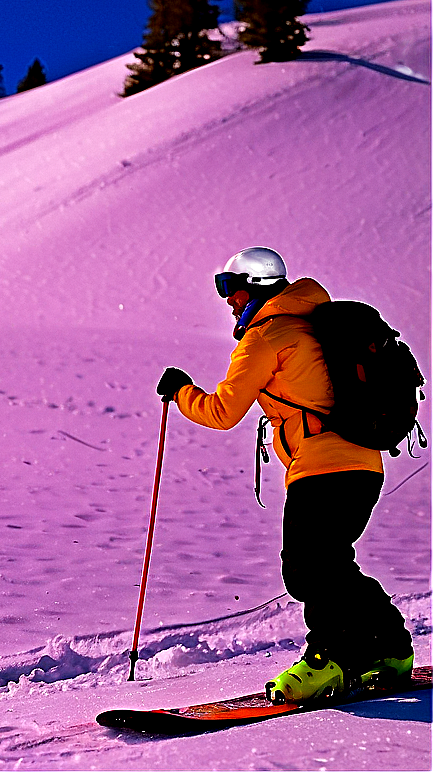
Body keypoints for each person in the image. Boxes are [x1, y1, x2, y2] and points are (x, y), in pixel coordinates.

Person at [156, 246, 413, 703]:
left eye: (231, 289)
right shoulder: (315, 324)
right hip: (363, 465)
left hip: (322, 468)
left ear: (254, 289)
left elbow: (221, 411)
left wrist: (180, 390)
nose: (228, 301)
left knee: (309, 566)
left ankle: (330, 657)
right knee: (328, 561)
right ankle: (388, 650)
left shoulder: (267, 337)